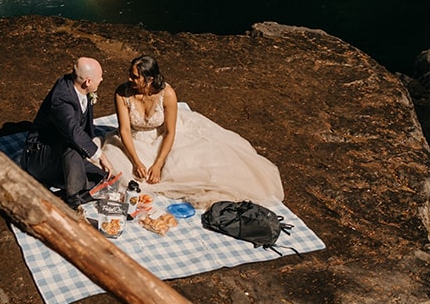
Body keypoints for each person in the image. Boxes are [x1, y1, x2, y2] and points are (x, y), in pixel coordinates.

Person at [99, 54, 284, 210]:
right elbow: (124, 129)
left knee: (190, 167)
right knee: (121, 171)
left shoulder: (167, 93)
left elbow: (170, 132)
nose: (129, 79)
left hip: (162, 136)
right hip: (134, 139)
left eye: (135, 77)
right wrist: (136, 161)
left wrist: (158, 164)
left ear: (149, 79)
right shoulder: (122, 93)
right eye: (130, 75)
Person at [19, 57, 110, 207]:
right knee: (73, 144)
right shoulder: (62, 98)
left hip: (61, 152)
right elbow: (74, 132)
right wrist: (100, 156)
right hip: (40, 157)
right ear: (87, 81)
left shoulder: (79, 86)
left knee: (102, 178)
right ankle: (74, 197)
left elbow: (84, 126)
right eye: (99, 77)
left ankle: (68, 189)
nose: (102, 80)